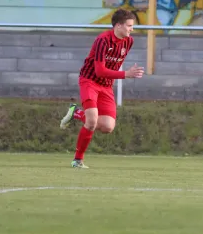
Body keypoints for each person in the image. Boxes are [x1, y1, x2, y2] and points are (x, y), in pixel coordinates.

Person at [59, 9, 145, 168]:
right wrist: (125, 74)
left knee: (107, 127)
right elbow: (99, 70)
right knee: (91, 121)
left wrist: (116, 77)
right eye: (129, 25)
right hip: (90, 81)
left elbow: (114, 63)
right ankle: (77, 160)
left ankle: (76, 112)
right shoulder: (102, 40)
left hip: (106, 85)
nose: (132, 29)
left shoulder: (129, 41)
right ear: (118, 25)